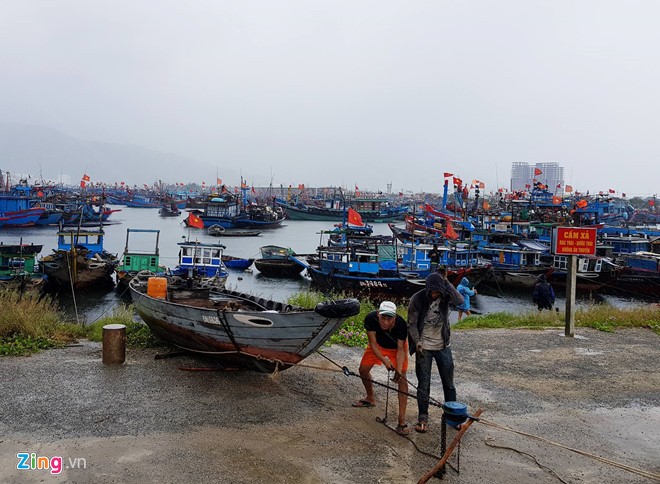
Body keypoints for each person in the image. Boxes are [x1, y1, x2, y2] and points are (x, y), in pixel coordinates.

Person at [407, 268, 464, 433]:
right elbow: (411, 323)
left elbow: (459, 300)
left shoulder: (446, 295)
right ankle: (422, 418)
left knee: (449, 384)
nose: (434, 294)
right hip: (423, 347)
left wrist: (446, 282)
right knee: (423, 385)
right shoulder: (416, 299)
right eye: (431, 291)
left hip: (443, 345)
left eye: (437, 291)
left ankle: (452, 417)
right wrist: (417, 342)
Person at [353, 301, 411, 435]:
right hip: (378, 345)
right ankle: (370, 398)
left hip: (396, 349)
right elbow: (373, 344)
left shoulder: (401, 324)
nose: (385, 321)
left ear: (394, 318)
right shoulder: (370, 319)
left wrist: (399, 369)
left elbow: (401, 349)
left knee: (402, 378)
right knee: (363, 370)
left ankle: (401, 421)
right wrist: (384, 361)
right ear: (378, 314)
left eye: (389, 318)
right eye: (383, 317)